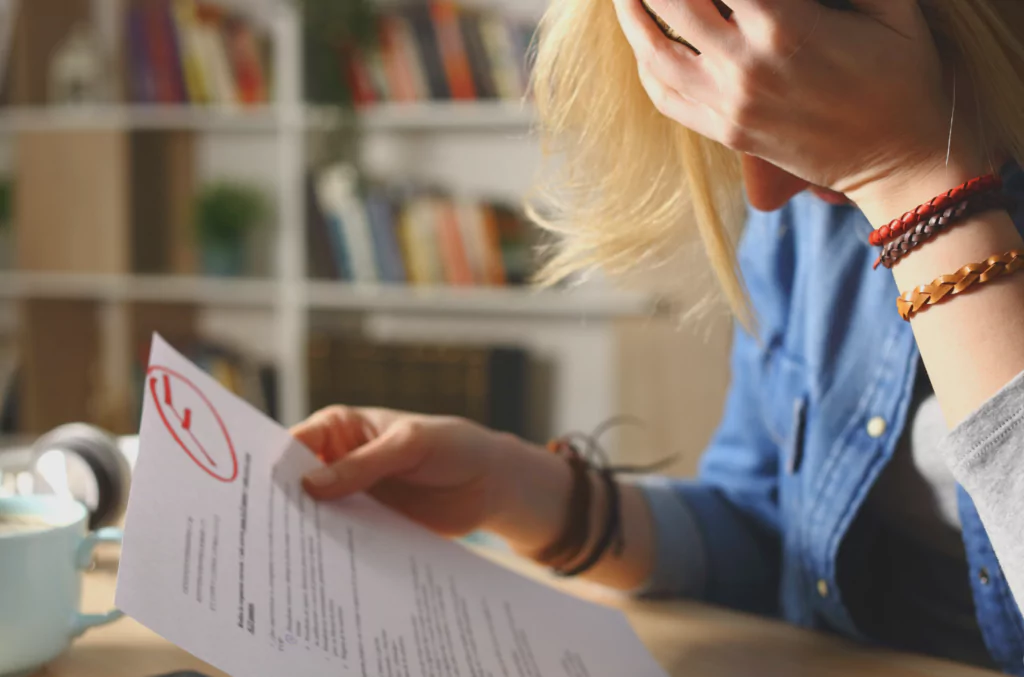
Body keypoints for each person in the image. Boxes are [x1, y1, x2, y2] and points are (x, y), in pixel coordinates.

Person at [294, 0, 1024, 673]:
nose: (765, 193)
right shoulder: (812, 220)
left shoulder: (870, 170)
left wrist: (914, 180)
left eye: (789, 82)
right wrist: (512, 486)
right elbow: (773, 535)